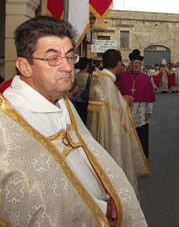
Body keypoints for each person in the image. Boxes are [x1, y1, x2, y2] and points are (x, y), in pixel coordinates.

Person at [0, 16, 146, 226]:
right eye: (52, 58)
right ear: (25, 67)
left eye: (69, 56)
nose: (68, 67)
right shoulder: (7, 125)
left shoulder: (61, 101)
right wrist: (100, 209)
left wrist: (109, 195)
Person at [87, 49, 150, 195]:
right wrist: (125, 101)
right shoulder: (109, 85)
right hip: (111, 134)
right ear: (120, 63)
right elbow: (115, 107)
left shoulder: (98, 80)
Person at [116, 49, 156, 158]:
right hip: (126, 109)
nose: (137, 65)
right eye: (135, 63)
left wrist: (149, 111)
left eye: (139, 63)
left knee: (141, 134)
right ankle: (127, 155)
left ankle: (141, 156)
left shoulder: (146, 78)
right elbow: (116, 91)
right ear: (130, 64)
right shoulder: (123, 76)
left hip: (141, 110)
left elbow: (150, 97)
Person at [74, 56, 91, 124]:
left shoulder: (75, 75)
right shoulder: (89, 76)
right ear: (87, 66)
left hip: (76, 99)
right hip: (85, 100)